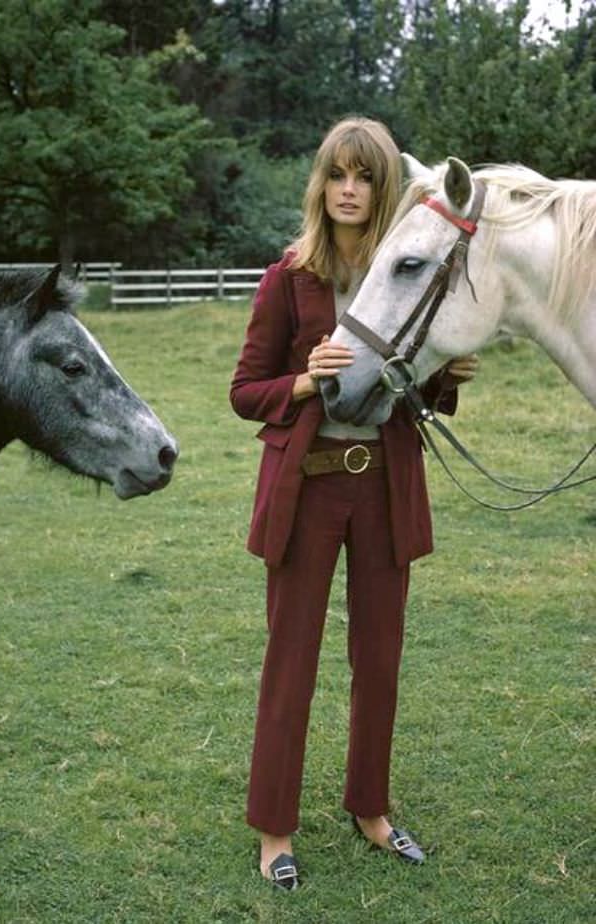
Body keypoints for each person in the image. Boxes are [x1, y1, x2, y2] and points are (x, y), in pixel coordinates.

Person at [230, 116, 478, 890]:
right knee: (291, 661)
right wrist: (305, 379)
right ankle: (275, 829)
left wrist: (446, 378)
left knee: (380, 659)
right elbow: (244, 392)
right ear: (320, 183)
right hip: (306, 489)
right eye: (338, 174)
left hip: (384, 488)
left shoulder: (404, 274)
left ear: (384, 191)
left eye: (366, 177)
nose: (349, 189)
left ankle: (370, 808)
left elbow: (411, 388)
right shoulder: (286, 277)